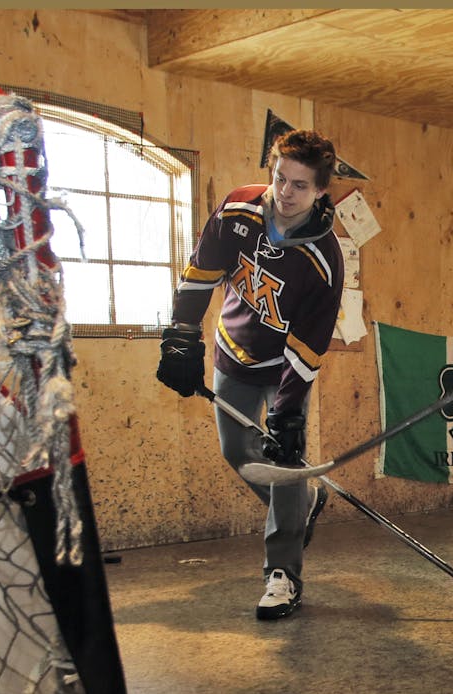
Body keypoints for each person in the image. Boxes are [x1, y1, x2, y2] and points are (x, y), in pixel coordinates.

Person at [155, 128, 344, 621]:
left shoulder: (324, 260)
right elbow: (201, 275)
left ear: (321, 190)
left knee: (282, 464)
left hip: (284, 368)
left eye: (300, 185)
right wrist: (181, 338)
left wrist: (286, 413)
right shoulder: (238, 210)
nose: (284, 193)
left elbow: (307, 346)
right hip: (232, 355)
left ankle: (282, 575)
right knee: (237, 450)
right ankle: (304, 503)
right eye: (280, 178)